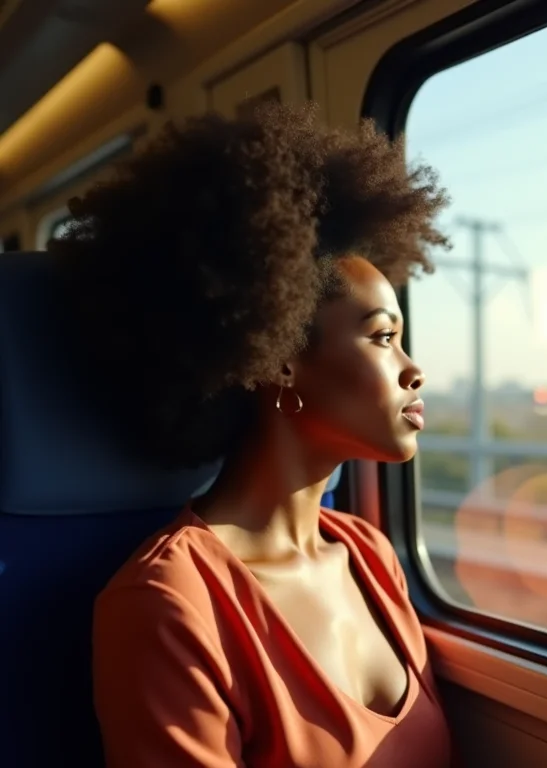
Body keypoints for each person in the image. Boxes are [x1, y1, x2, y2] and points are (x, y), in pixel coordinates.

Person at [51, 101, 454, 767]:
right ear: (276, 358)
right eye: (383, 338)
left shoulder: (372, 555)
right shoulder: (167, 603)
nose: (414, 372)